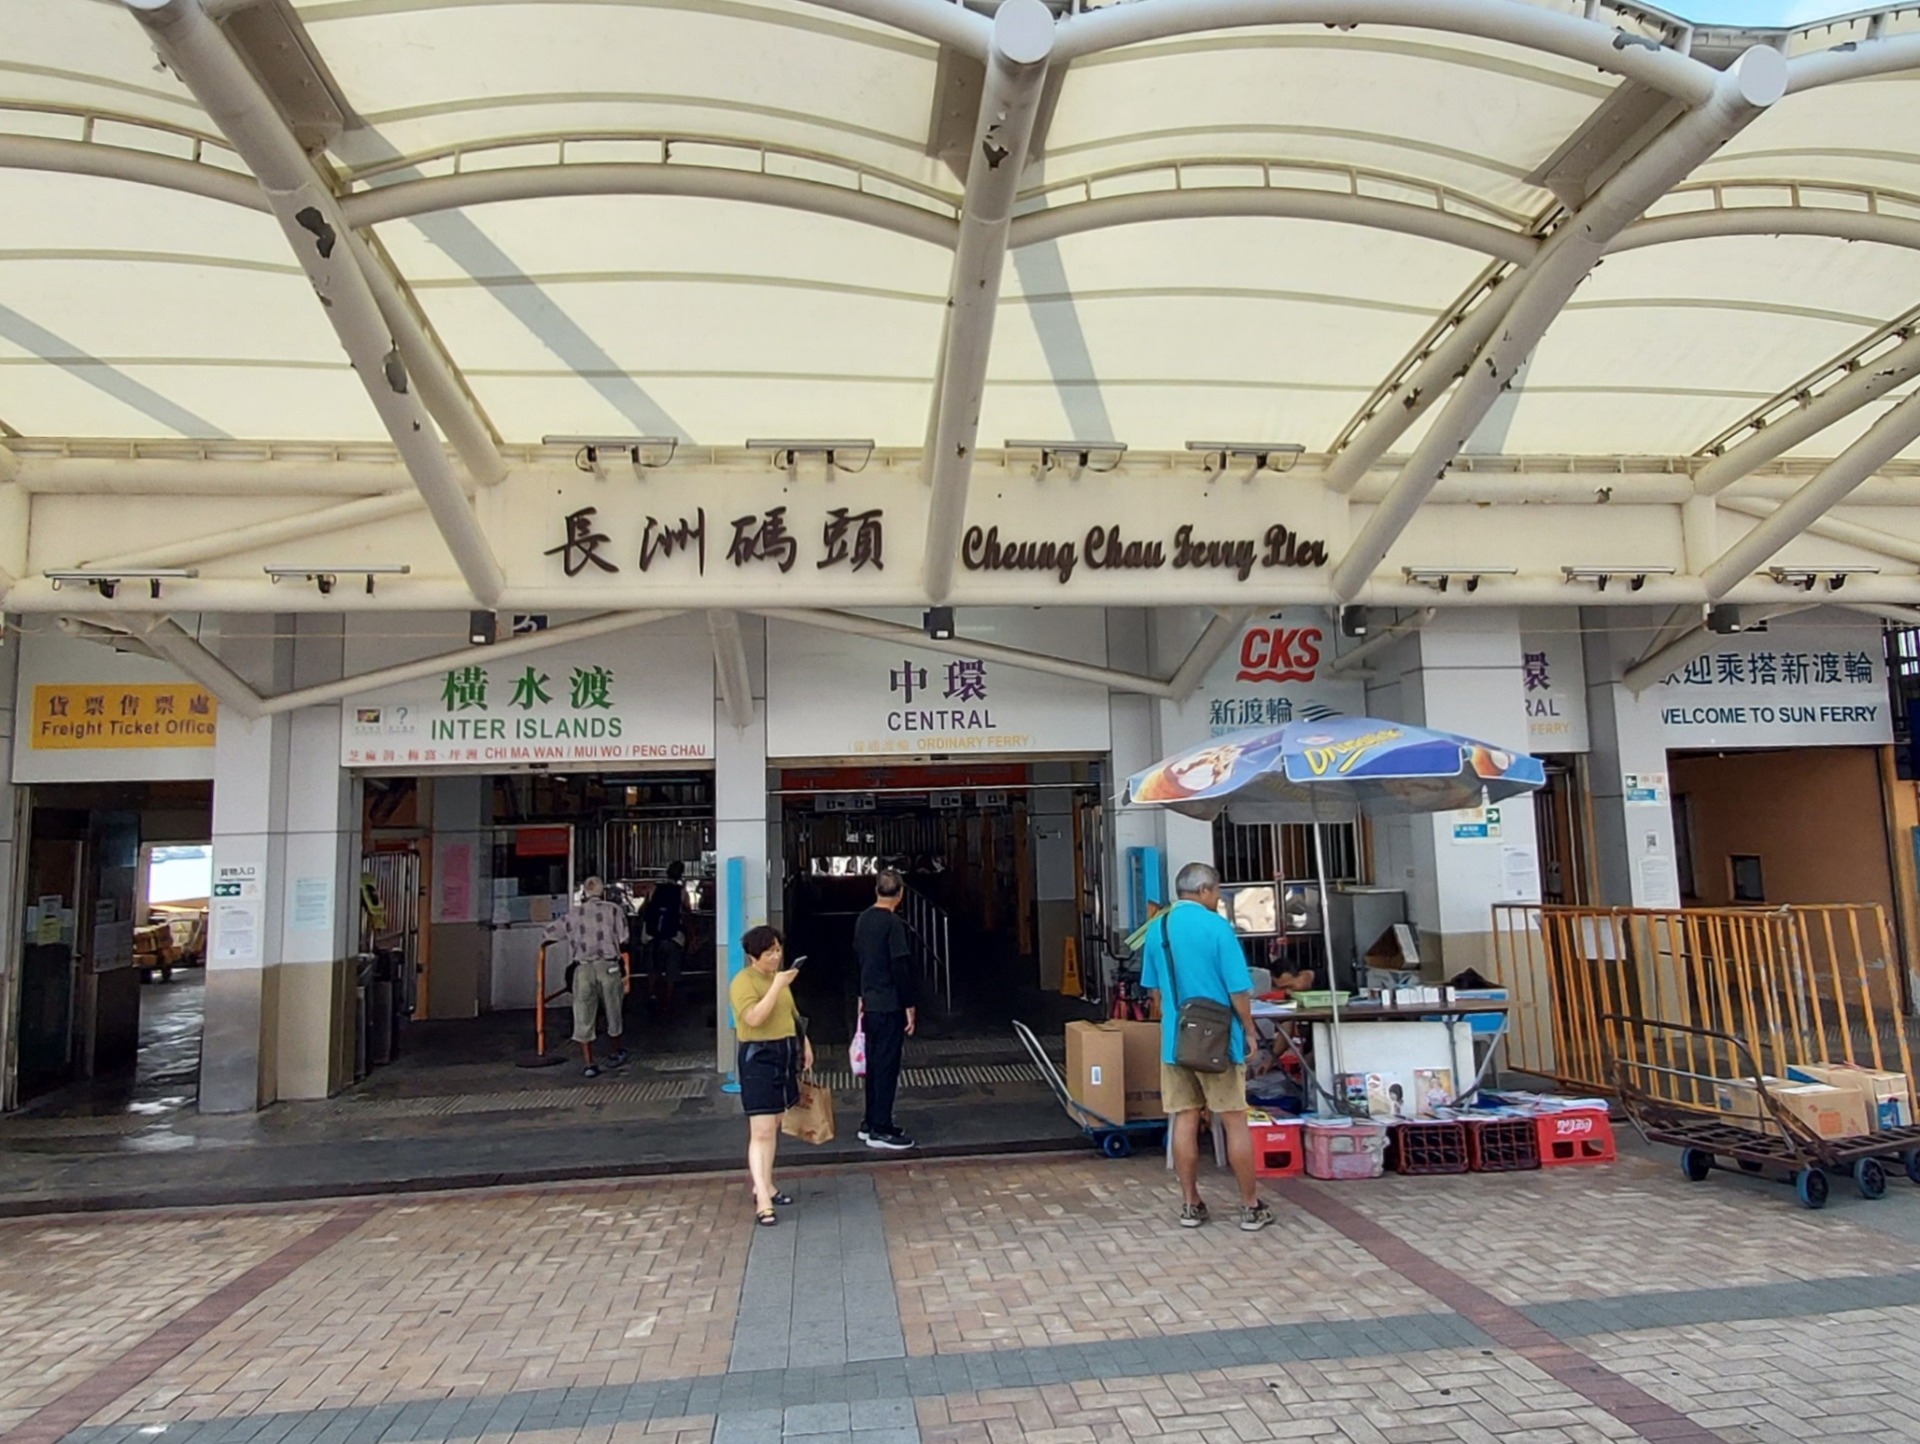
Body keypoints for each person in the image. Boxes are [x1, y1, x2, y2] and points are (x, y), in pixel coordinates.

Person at [1140, 861, 1275, 1232]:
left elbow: (1153, 990)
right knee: (1234, 1120)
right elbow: (1238, 989)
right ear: (1203, 891)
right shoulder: (1217, 927)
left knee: (1184, 1118)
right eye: (1215, 892)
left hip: (1175, 1042)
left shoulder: (1158, 928)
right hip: (1219, 1041)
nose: (1217, 899)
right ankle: (1249, 1206)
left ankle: (1190, 1204)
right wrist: (1249, 1030)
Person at [728, 925, 812, 1226]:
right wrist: (777, 985)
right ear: (754, 956)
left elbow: (789, 1014)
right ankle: (762, 1197)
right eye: (769, 952)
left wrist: (804, 1043)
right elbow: (754, 1018)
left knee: (774, 1123)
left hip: (785, 1053)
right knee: (761, 1128)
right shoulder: (743, 982)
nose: (776, 957)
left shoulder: (780, 980)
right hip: (758, 1057)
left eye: (778, 950)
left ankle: (766, 1183)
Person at [542, 876, 630, 1078]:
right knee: (613, 1010)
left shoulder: (573, 914)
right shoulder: (614, 910)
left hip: (583, 968)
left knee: (583, 1015)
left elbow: (549, 932)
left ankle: (589, 1063)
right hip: (609, 967)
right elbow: (624, 937)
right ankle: (615, 1053)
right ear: (603, 892)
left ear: (584, 893)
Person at [855, 868, 916, 1151]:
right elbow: (900, 966)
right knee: (887, 1066)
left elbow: (859, 960)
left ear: (876, 890)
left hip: (870, 1003)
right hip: (890, 1003)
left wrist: (860, 995)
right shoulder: (893, 924)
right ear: (900, 894)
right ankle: (881, 1128)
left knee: (873, 1065)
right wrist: (910, 1005)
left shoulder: (863, 920)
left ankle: (870, 1122)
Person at [641, 861, 688, 1002]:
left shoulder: (654, 888)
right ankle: (669, 997)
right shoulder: (681, 891)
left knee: (653, 967)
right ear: (681, 875)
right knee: (671, 969)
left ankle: (651, 994)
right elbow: (687, 913)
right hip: (673, 937)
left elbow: (643, 909)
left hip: (651, 935)